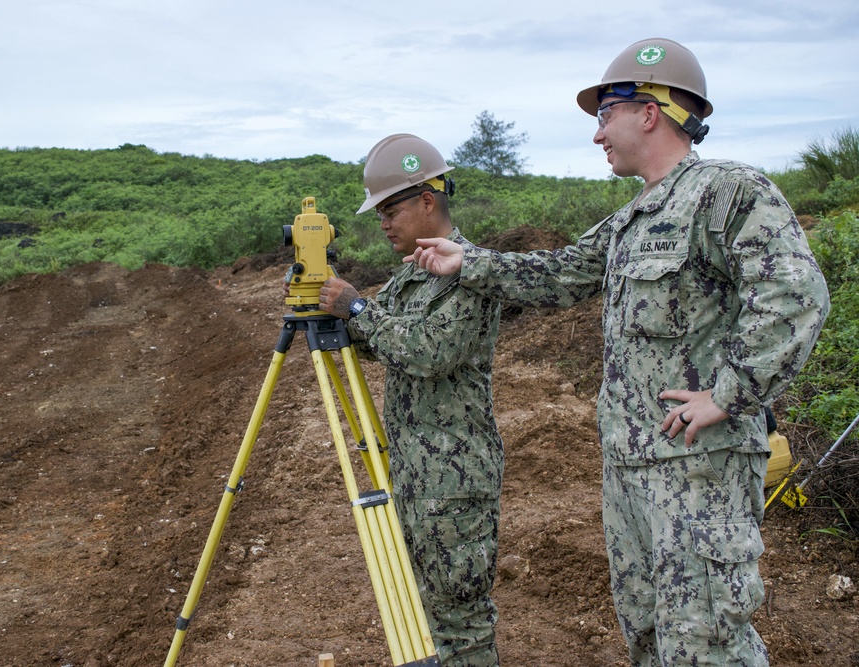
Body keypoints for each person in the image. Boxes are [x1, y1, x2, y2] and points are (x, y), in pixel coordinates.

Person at [406, 38, 830, 667]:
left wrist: (728, 393)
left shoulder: (728, 192)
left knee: (705, 642)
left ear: (650, 111)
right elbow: (561, 273)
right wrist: (470, 260)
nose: (598, 135)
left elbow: (797, 295)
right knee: (651, 637)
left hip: (697, 469)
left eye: (605, 116)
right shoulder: (635, 218)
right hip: (630, 468)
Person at [317, 133, 505, 666]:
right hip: (415, 472)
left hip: (454, 481)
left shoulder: (468, 272)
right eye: (378, 213)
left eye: (391, 209)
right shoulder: (411, 276)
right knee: (427, 617)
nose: (383, 223)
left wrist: (356, 309)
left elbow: (426, 352)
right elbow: (383, 340)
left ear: (427, 201)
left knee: (460, 623)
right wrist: (329, 309)